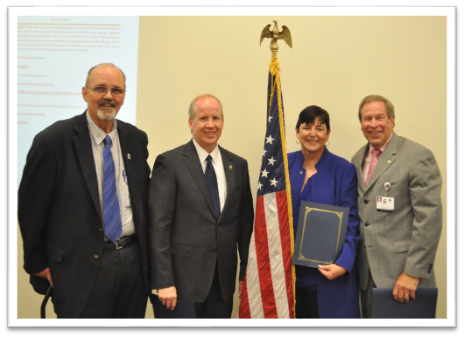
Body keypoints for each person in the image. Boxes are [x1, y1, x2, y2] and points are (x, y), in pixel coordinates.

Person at [18, 63, 152, 318]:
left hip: (132, 263)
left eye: (116, 90)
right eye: (100, 88)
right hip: (79, 267)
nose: (109, 96)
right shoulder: (53, 141)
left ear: (124, 95)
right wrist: (36, 264)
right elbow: (31, 209)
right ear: (85, 93)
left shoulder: (136, 138)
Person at [148, 93, 254, 318]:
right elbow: (159, 227)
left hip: (223, 285)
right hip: (181, 286)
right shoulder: (170, 163)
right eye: (203, 118)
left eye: (215, 118)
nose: (210, 125)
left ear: (223, 122)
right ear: (191, 123)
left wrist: (246, 274)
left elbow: (245, 228)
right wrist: (163, 280)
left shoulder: (239, 165)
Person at [351, 94, 442, 318]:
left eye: (379, 117)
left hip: (404, 276)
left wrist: (413, 272)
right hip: (366, 276)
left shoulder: (417, 156)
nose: (373, 124)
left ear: (392, 119)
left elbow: (429, 220)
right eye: (367, 119)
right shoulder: (356, 159)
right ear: (361, 124)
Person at [288, 105, 360, 318]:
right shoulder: (282, 164)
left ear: (328, 134)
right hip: (287, 276)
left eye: (319, 128)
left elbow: (352, 223)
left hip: (328, 273)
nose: (312, 133)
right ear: (297, 131)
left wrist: (343, 264)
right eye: (306, 127)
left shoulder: (343, 169)